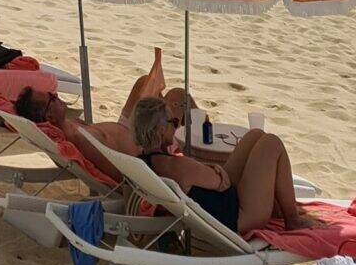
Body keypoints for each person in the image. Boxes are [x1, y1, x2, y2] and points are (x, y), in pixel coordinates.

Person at [129, 94, 310, 236]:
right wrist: (211, 170)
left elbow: (211, 179)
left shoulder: (141, 161)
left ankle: (279, 206)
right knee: (271, 142)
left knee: (255, 135)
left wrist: (206, 169)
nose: (176, 126)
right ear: (161, 130)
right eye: (173, 122)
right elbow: (220, 182)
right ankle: (292, 219)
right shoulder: (177, 165)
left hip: (217, 206)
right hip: (239, 215)